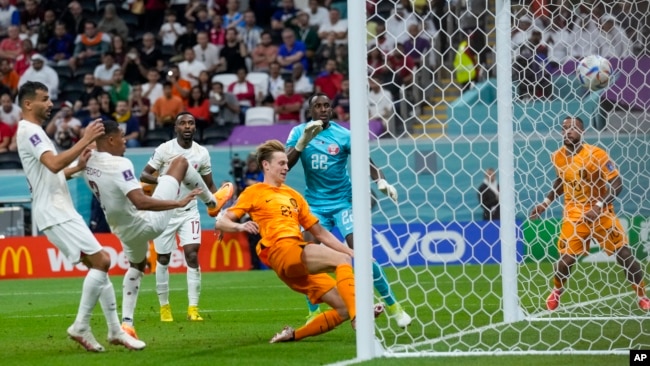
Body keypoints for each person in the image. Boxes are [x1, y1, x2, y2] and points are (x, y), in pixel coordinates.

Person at [15, 81, 144, 351]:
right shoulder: (30, 132)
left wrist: (78, 167)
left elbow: (53, 172)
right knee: (103, 260)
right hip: (54, 209)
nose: (51, 103)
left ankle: (114, 331)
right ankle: (81, 325)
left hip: (56, 208)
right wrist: (85, 139)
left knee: (99, 266)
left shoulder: (33, 131)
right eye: (45, 99)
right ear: (29, 104)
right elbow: (52, 163)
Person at [215, 139, 383, 343]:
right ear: (266, 165)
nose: (286, 167)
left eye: (287, 163)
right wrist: (240, 226)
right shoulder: (254, 192)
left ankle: (292, 335)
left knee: (342, 308)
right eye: (281, 163)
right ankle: (360, 318)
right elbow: (223, 221)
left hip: (294, 263)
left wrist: (352, 252)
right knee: (342, 261)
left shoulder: (294, 196)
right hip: (281, 249)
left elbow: (320, 232)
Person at [82, 119, 234, 338]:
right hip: (152, 221)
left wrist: (84, 146)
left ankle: (127, 323)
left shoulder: (87, 162)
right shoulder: (124, 164)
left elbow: (63, 167)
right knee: (180, 163)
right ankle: (212, 203)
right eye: (123, 136)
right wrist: (176, 203)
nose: (126, 141)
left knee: (137, 266)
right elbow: (141, 202)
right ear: (111, 139)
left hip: (123, 230)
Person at [285, 93, 413, 328]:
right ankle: (313, 312)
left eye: (327, 105)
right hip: (314, 205)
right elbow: (285, 164)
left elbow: (368, 162)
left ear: (331, 110)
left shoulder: (344, 135)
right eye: (318, 106)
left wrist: (381, 181)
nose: (323, 109)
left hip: (343, 203)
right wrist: (302, 143)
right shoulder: (298, 132)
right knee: (305, 254)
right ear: (310, 111)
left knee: (360, 253)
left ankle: (394, 307)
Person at [529, 116, 650, 311]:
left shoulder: (597, 154)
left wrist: (599, 206)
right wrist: (545, 203)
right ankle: (557, 291)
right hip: (574, 214)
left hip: (601, 213)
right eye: (564, 128)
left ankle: (642, 295)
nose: (568, 131)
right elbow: (561, 181)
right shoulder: (558, 156)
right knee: (565, 261)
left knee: (624, 254)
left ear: (582, 132)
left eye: (573, 128)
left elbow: (617, 183)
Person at [140, 112, 223, 322]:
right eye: (182, 123)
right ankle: (164, 307)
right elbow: (144, 174)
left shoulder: (202, 153)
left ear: (195, 128)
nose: (187, 126)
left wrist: (218, 214)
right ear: (176, 128)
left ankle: (193, 308)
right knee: (163, 258)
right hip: (165, 209)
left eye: (191, 123)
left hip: (189, 211)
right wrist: (168, 182)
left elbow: (209, 185)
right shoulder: (165, 149)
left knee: (192, 255)